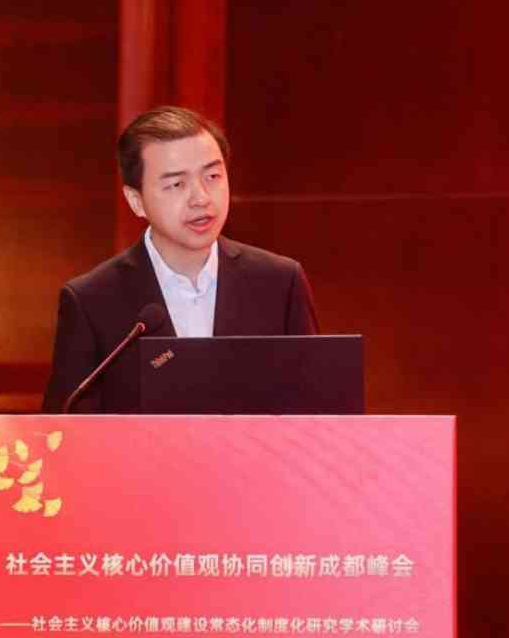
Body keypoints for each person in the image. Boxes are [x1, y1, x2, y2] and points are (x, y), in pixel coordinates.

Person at [43, 106, 318, 413]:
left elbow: (316, 411)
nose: (201, 198)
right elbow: (65, 427)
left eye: (212, 176)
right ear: (136, 201)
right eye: (176, 184)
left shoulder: (279, 284)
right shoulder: (92, 301)